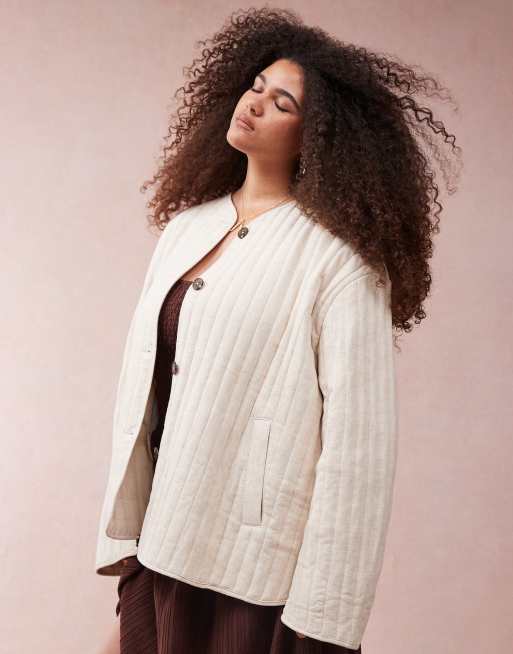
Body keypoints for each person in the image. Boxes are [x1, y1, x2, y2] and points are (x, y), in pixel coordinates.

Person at [95, 7, 462, 654]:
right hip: (160, 542)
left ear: (316, 137)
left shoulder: (339, 260)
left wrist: (324, 618)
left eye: (283, 102)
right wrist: (125, 544)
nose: (256, 103)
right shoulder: (186, 229)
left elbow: (358, 450)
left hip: (254, 575)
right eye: (256, 85)